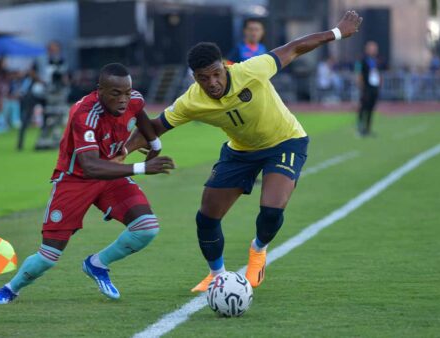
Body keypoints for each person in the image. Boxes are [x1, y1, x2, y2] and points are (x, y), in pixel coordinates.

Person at [126, 11, 363, 291]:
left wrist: (336, 32)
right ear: (195, 78)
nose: (212, 82)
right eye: (204, 78)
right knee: (206, 218)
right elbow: (155, 126)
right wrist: (121, 152)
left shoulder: (251, 69)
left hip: (285, 141)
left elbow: (295, 47)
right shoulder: (191, 101)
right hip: (240, 151)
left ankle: (258, 250)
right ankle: (217, 277)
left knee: (271, 211)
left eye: (216, 74)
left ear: (224, 67)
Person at [0, 63, 175, 304]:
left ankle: (97, 264)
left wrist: (155, 144)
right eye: (116, 93)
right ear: (100, 91)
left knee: (147, 227)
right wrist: (141, 168)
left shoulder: (134, 100)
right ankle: (11, 288)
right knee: (49, 255)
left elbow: (141, 116)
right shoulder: (84, 113)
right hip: (75, 180)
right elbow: (90, 165)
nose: (123, 100)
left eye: (127, 92)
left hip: (109, 175)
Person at [356, 40, 380, 137]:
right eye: (372, 48)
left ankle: (368, 128)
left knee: (371, 108)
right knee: (363, 108)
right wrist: (361, 86)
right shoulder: (363, 60)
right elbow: (359, 74)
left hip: (374, 87)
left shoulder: (376, 60)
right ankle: (360, 128)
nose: (374, 50)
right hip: (366, 87)